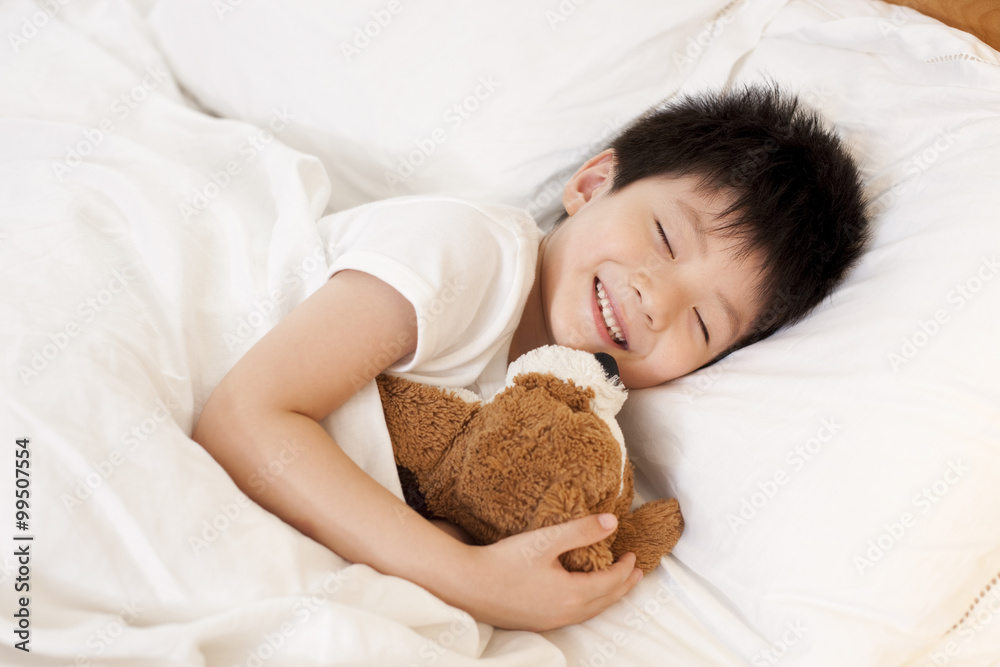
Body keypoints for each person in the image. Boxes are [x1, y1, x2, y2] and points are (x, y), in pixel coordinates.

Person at [192, 84, 868, 631]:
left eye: (700, 322)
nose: (655, 299)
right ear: (593, 183)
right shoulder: (465, 255)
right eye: (664, 236)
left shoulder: (576, 424)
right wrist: (466, 578)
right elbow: (242, 419)